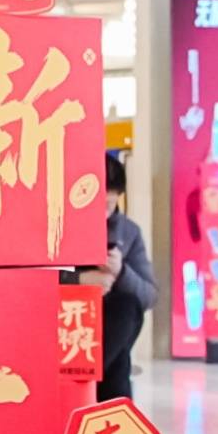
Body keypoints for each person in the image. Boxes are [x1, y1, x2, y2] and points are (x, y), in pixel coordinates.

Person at [77, 149, 157, 400]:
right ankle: (104, 400)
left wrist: (121, 271)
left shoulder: (128, 232)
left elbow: (149, 296)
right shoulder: (59, 224)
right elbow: (34, 280)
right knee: (120, 361)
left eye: (108, 206)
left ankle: (86, 380)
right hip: (68, 315)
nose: (101, 214)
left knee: (127, 306)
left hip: (109, 320)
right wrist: (80, 280)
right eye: (94, 205)